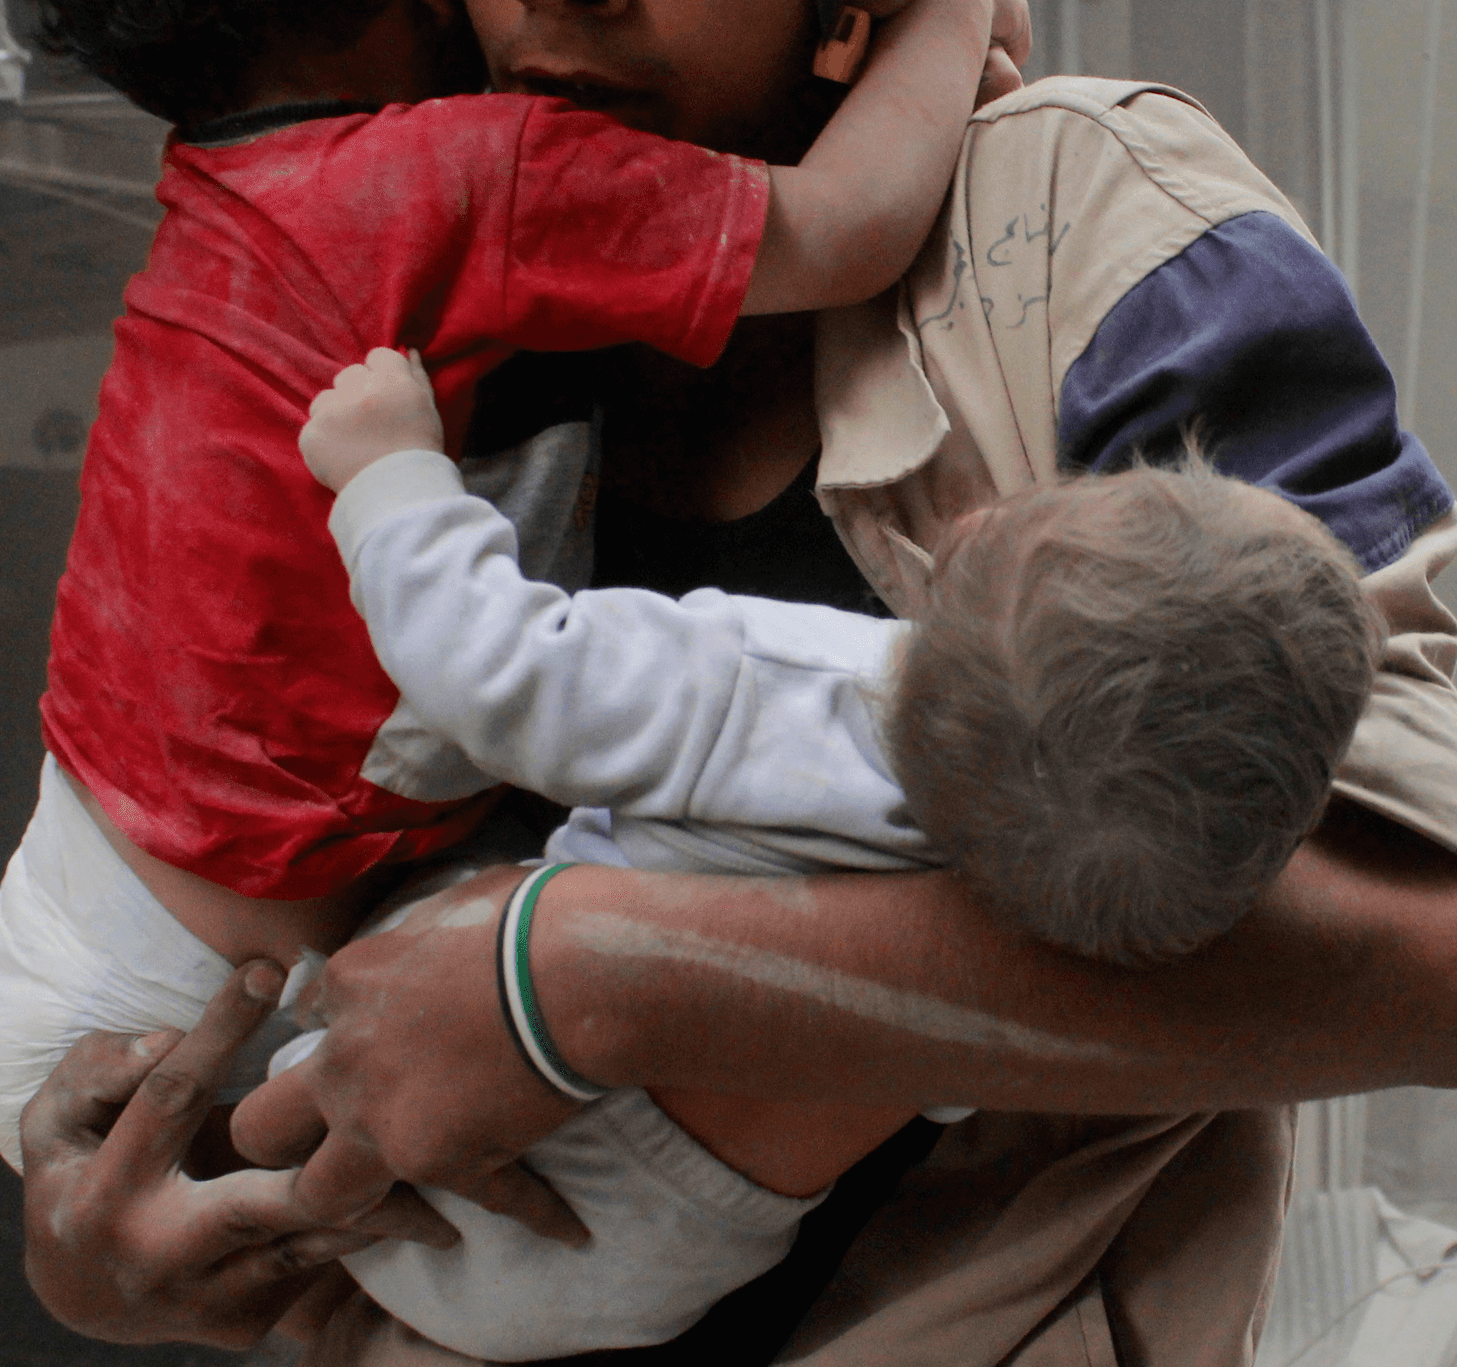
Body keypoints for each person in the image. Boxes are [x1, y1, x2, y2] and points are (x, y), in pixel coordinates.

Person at [14, 0, 1457, 1361]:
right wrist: (121, 1249)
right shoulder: (405, 254)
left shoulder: (1093, 231)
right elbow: (265, 1014)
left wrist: (608, 977)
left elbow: (1428, 973)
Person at [0, 0, 1020, 1191]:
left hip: (70, 910)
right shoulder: (462, 183)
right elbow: (844, 224)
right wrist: (953, 0)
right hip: (223, 1013)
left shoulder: (221, 193)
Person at [278, 346, 1379, 1358]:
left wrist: (392, 474)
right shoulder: (1067, 900)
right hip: (641, 1272)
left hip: (474, 1140)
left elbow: (496, 671)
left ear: (974, 533)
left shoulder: (786, 684)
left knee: (337, 966)